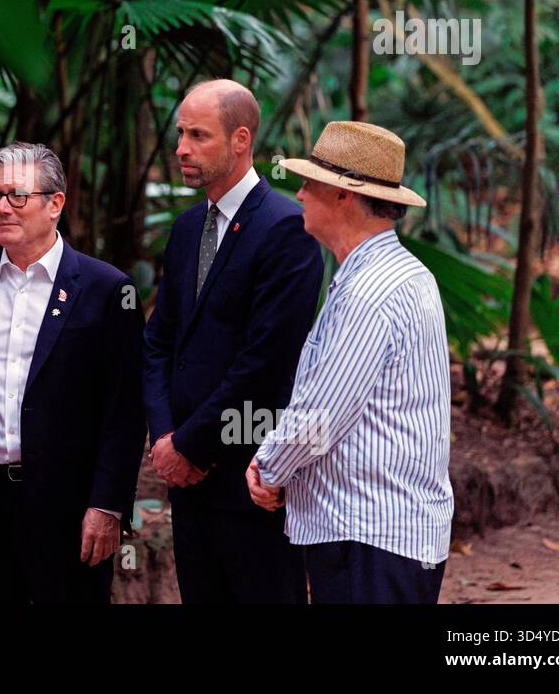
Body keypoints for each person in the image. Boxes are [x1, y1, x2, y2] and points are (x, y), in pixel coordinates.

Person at [0, 142, 145, 604]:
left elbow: (125, 411)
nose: (2, 207)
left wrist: (107, 505)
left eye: (17, 196)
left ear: (55, 204)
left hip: (69, 514)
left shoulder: (107, 290)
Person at [247, 120, 453, 604]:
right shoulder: (402, 273)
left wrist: (269, 469)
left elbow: (321, 416)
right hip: (386, 531)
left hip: (368, 533)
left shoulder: (368, 290)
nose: (298, 194)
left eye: (309, 183)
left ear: (343, 195)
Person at [142, 80, 323, 603]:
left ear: (240, 140)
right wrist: (163, 438)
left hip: (251, 479)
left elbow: (265, 363)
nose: (180, 148)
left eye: (198, 135)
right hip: (185, 480)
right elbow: (158, 343)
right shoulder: (185, 228)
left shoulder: (287, 226)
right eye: (180, 133)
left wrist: (189, 446)